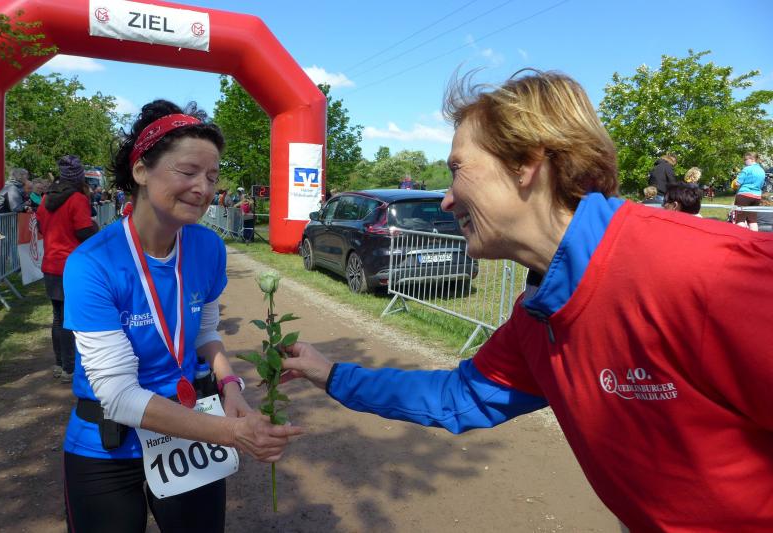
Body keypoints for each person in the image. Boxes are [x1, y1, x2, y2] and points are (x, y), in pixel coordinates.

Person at [280, 70, 773, 531]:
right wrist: (331, 374)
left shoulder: (716, 274)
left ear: (527, 164)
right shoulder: (540, 313)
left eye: (457, 169)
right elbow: (459, 397)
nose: (446, 200)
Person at [61, 100, 301, 532]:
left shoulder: (208, 247)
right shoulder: (92, 263)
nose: (203, 188)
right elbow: (118, 395)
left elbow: (205, 332)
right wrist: (233, 433)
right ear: (141, 170)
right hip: (106, 446)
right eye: (188, 171)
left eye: (212, 176)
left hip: (189, 434)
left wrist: (230, 387)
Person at [36, 155, 100, 383]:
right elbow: (83, 232)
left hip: (51, 264)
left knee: (58, 317)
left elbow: (41, 227)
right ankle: (70, 368)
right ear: (79, 176)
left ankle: (60, 364)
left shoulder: (45, 199)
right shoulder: (77, 199)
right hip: (72, 265)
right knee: (70, 318)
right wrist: (96, 229)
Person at [732, 152, 766, 231]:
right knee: (753, 220)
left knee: (740, 219)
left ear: (752, 159)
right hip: (757, 196)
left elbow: (737, 183)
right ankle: (755, 237)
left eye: (745, 159)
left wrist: (734, 182)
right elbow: (762, 185)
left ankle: (741, 237)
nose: (744, 161)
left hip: (744, 195)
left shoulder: (747, 169)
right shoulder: (762, 170)